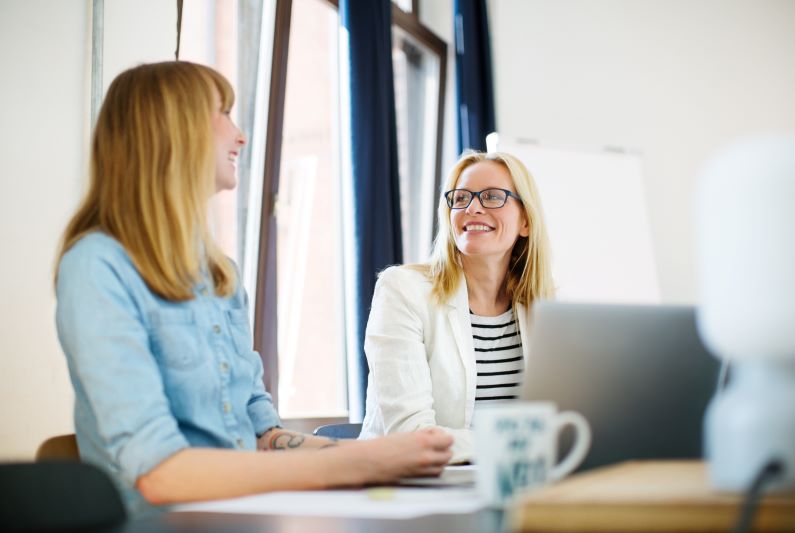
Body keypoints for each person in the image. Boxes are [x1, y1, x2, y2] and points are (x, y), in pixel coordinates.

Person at [54, 61, 452, 517]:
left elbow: (262, 434)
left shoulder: (219, 273)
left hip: (242, 515)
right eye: (221, 113)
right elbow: (158, 473)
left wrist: (399, 455)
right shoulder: (97, 267)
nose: (240, 135)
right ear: (170, 129)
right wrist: (354, 463)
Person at [359, 151, 555, 463]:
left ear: (526, 221)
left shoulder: (544, 308)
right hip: (411, 491)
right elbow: (412, 437)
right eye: (460, 197)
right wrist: (522, 443)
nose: (472, 207)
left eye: (492, 196)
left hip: (515, 486)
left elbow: (565, 423)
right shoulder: (403, 290)